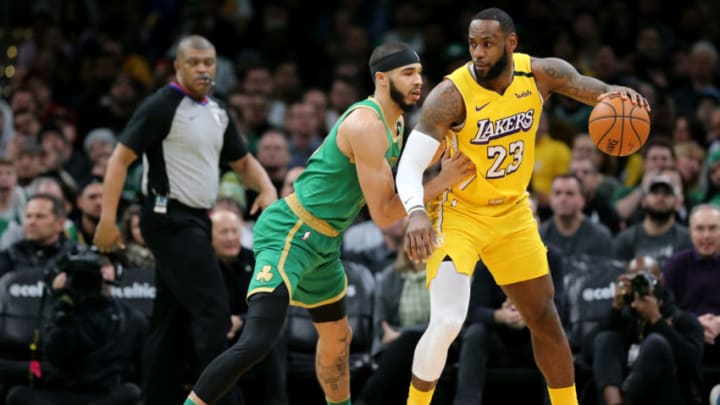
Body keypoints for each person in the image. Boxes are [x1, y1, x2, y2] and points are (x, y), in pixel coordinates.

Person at [185, 41, 474, 405]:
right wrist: (442, 181)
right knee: (258, 341)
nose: (420, 81)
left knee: (339, 340)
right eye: (409, 73)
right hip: (290, 231)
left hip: (325, 241)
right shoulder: (365, 124)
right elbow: (384, 214)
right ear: (382, 79)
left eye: (419, 73)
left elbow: (393, 181)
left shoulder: (397, 122)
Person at [394, 8, 650, 405]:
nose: (477, 53)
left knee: (545, 318)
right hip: (459, 214)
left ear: (510, 44)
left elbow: (585, 86)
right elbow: (409, 165)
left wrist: (615, 94)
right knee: (447, 321)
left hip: (512, 214)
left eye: (487, 44)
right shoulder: (449, 96)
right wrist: (414, 213)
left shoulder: (541, 74)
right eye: (472, 44)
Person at [93, 35, 278, 405]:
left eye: (208, 62)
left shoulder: (218, 111)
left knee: (170, 320)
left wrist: (267, 187)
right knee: (213, 311)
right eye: (193, 62)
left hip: (196, 218)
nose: (202, 69)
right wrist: (107, 220)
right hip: (167, 216)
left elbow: (241, 161)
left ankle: (156, 397)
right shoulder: (162, 105)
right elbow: (119, 159)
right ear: (177, 66)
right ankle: (223, 398)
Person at [6, 248, 147, 405]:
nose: (97, 272)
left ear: (117, 271)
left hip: (104, 397)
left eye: (103, 265)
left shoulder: (132, 318)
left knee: (131, 392)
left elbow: (144, 373)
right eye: (92, 268)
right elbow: (55, 358)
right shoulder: (62, 311)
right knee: (17, 395)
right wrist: (61, 304)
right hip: (60, 395)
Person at [590, 256, 704, 405]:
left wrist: (657, 320)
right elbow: (588, 352)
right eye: (634, 280)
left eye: (646, 279)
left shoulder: (683, 320)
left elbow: (691, 362)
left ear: (661, 281)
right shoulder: (622, 318)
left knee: (655, 343)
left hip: (668, 396)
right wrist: (616, 308)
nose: (640, 285)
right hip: (622, 392)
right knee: (605, 339)